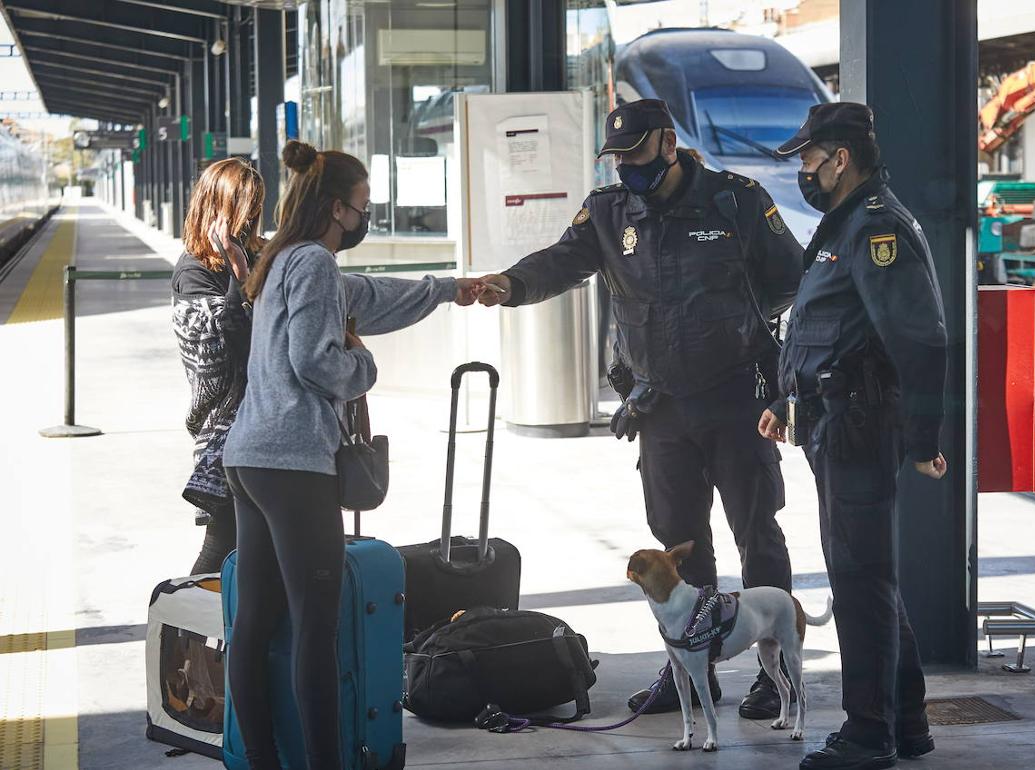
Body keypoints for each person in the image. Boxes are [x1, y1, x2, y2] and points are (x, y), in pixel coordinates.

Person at [477, 99, 805, 718]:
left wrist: (742, 322)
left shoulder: (735, 200)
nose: (626, 163)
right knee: (679, 545)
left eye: (635, 152)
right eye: (618, 155)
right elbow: (562, 261)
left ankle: (774, 668)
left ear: (668, 143)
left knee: (757, 534)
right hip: (662, 406)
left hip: (737, 398)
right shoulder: (607, 211)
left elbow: (791, 275)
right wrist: (512, 284)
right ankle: (694, 669)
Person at [222, 140, 482, 770]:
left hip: (249, 458)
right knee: (317, 626)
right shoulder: (312, 263)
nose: (367, 216)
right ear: (338, 208)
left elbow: (369, 296)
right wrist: (364, 366)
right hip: (292, 463)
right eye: (363, 205)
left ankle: (259, 760)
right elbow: (316, 362)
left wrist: (451, 288)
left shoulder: (283, 259)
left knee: (253, 625)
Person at [760, 103, 947, 770]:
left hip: (859, 428)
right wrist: (788, 401)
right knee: (865, 576)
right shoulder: (842, 225)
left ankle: (868, 735)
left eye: (809, 159)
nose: (804, 171)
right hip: (835, 422)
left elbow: (921, 339)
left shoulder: (875, 228)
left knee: (859, 580)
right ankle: (906, 719)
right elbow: (827, 328)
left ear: (841, 159)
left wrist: (924, 439)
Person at [171, 158, 264, 574]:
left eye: (257, 209)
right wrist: (239, 272)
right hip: (225, 431)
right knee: (223, 544)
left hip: (270, 420)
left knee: (256, 546)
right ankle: (186, 632)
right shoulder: (193, 271)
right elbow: (235, 349)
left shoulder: (260, 253)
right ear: (219, 209)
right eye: (247, 210)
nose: (251, 223)